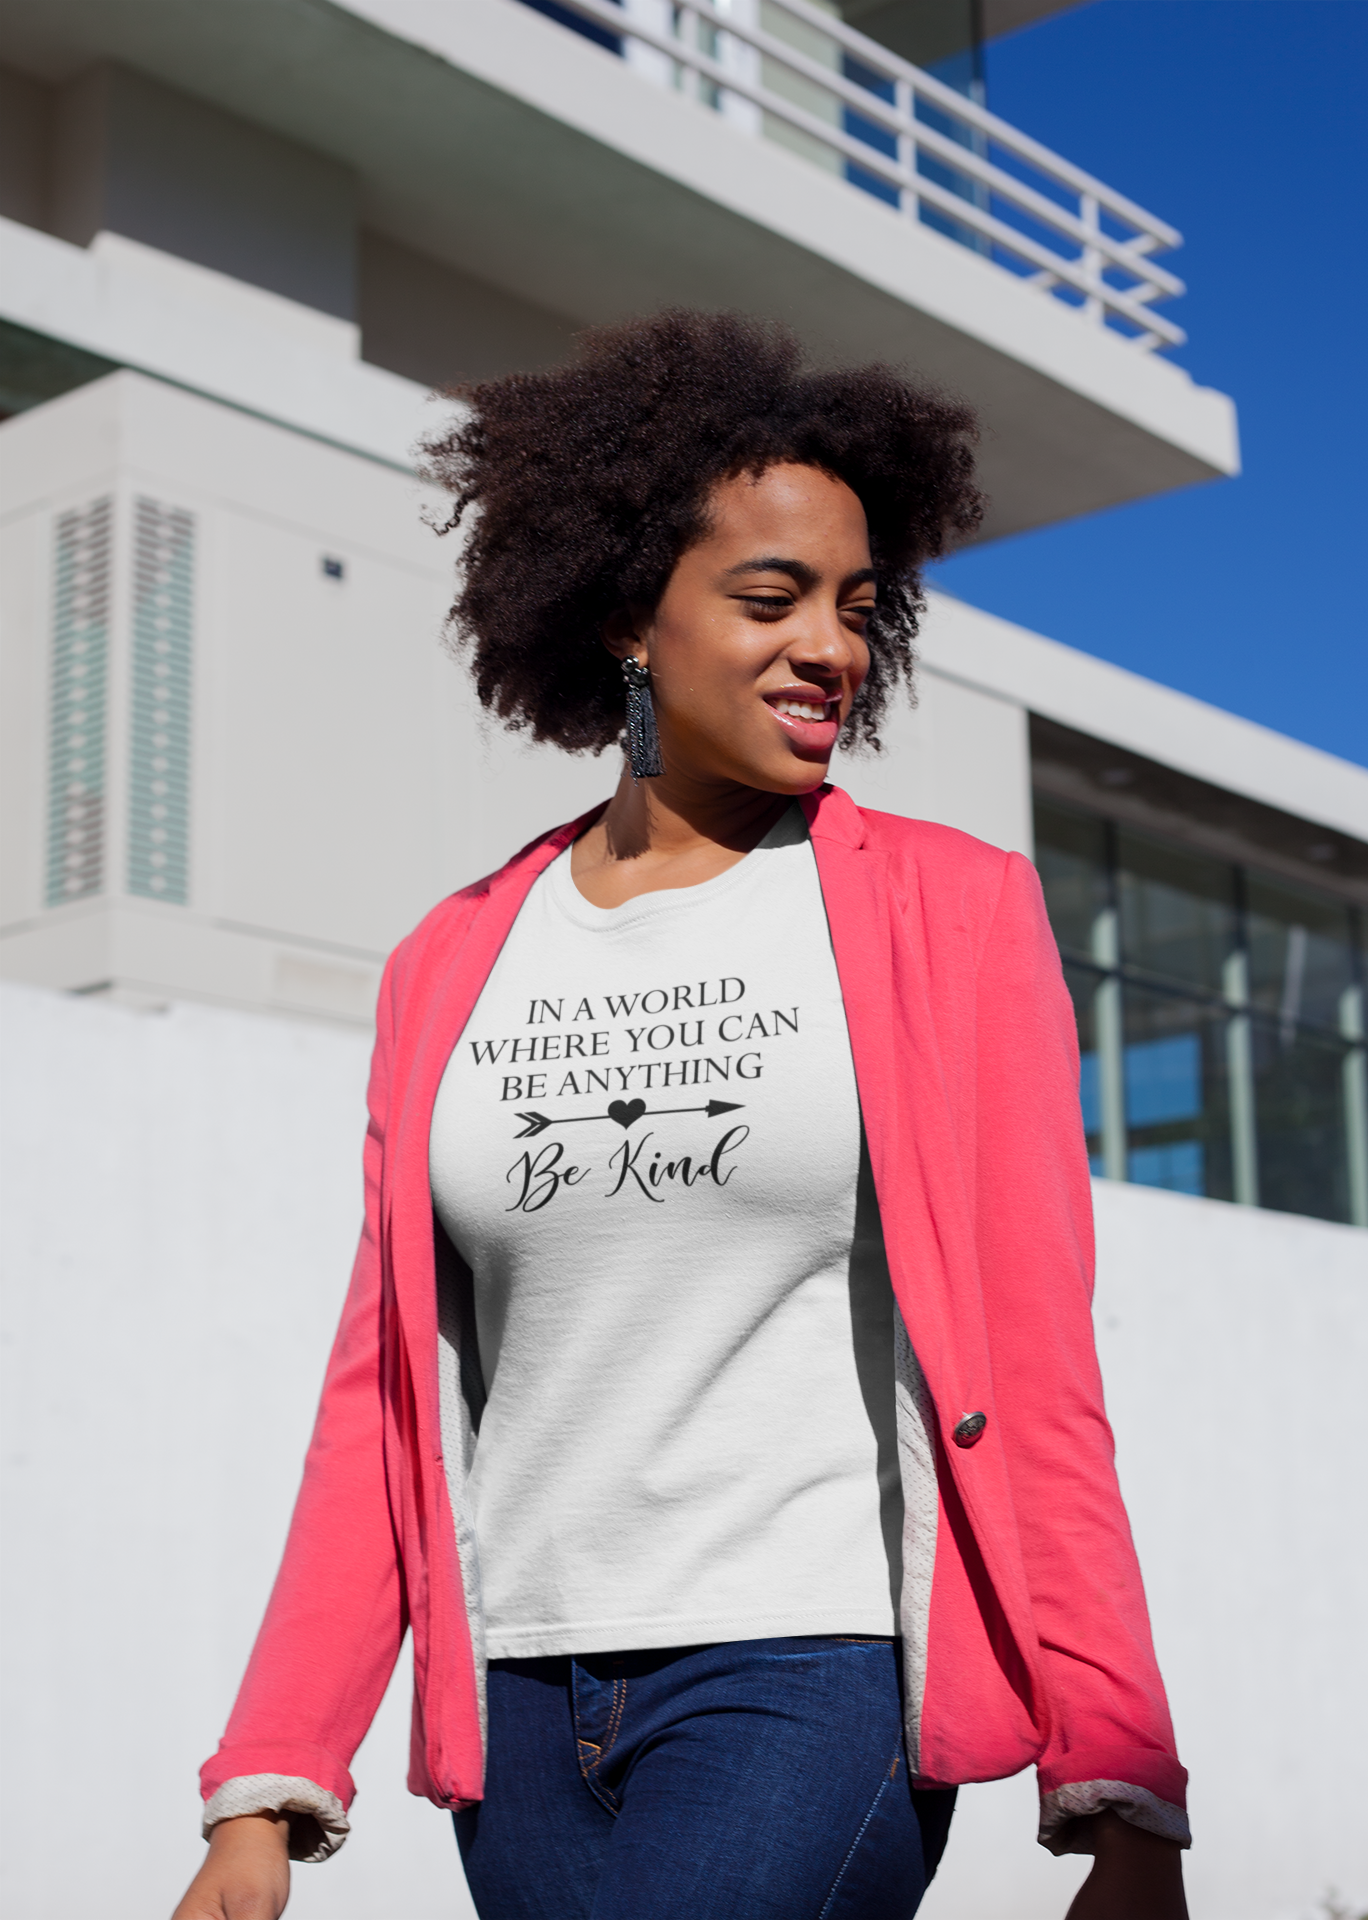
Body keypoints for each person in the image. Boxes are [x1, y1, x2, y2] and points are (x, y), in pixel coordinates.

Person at [173, 311, 1190, 1920]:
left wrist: (1123, 1785)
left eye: (857, 607)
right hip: (522, 1690)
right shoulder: (454, 958)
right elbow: (383, 1392)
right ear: (626, 621)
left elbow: (1039, 1371)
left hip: (813, 1665)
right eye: (771, 599)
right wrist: (267, 1786)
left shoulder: (953, 916)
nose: (831, 647)